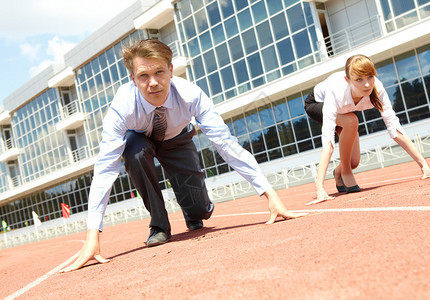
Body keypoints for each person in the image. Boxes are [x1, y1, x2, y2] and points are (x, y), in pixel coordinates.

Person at [60, 39, 306, 272]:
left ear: (170, 70)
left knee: (200, 212)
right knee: (134, 151)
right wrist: (93, 234)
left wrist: (269, 194)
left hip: (177, 139)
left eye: (159, 72)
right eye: (143, 76)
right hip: (141, 140)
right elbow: (105, 168)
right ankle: (159, 225)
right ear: (133, 79)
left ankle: (194, 210)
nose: (153, 82)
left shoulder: (191, 94)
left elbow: (225, 144)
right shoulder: (122, 107)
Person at [304, 54, 430, 206]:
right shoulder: (336, 91)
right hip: (317, 103)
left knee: (354, 161)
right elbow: (328, 141)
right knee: (351, 120)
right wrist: (319, 188)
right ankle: (346, 173)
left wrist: (424, 166)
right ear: (347, 80)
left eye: (370, 77)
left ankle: (339, 172)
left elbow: (394, 127)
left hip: (347, 110)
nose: (367, 85)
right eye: (359, 79)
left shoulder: (377, 89)